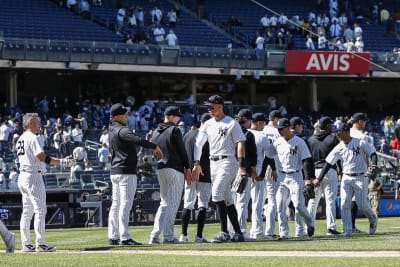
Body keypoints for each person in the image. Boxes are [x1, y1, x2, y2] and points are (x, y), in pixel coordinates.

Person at [192, 95, 246, 243]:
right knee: (227, 199)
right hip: (212, 163)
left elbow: (240, 143)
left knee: (216, 194)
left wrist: (241, 166)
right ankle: (238, 232)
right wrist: (197, 162)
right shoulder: (207, 124)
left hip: (228, 161)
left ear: (220, 106)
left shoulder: (231, 123)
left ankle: (224, 233)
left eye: (211, 106)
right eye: (207, 107)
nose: (208, 109)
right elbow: (198, 143)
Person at [16, 113, 73, 252]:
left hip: (23, 176)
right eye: (37, 122)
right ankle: (40, 243)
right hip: (33, 176)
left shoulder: (20, 138)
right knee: (40, 210)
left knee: (27, 212)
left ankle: (26, 244)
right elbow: (41, 157)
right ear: (30, 123)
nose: (40, 124)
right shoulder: (32, 137)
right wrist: (62, 162)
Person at [108, 103, 163, 246]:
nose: (126, 115)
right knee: (125, 205)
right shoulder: (122, 129)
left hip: (115, 171)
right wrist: (154, 146)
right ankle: (124, 237)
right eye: (124, 113)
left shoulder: (112, 129)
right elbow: (137, 140)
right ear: (117, 116)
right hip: (126, 172)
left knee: (116, 204)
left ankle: (113, 236)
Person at [317, 123, 378, 236]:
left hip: (360, 176)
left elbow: (373, 154)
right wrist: (319, 179)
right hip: (346, 177)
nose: (337, 135)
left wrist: (373, 166)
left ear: (346, 131)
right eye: (336, 133)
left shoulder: (360, 142)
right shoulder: (339, 147)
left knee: (362, 204)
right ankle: (347, 230)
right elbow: (328, 163)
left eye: (339, 132)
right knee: (344, 203)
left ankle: (373, 218)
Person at [149, 106, 191, 244]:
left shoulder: (155, 132)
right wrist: (188, 167)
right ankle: (168, 236)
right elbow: (182, 151)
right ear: (172, 116)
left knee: (164, 203)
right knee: (172, 204)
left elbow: (153, 153)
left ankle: (154, 236)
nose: (179, 119)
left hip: (160, 168)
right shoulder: (175, 130)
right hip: (174, 169)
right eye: (177, 116)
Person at [270, 118, 315, 239]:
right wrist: (273, 169)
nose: (279, 131)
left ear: (287, 128)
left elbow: (306, 161)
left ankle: (307, 224)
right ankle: (284, 233)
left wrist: (307, 179)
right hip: (281, 176)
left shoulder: (299, 142)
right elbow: (268, 156)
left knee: (299, 205)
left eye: (281, 129)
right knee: (279, 205)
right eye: (278, 129)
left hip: (296, 175)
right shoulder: (277, 142)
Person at [179, 113, 212, 243]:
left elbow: (182, 155)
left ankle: (183, 235)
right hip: (204, 173)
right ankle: (199, 236)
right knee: (202, 205)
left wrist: (186, 170)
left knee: (188, 204)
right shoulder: (208, 136)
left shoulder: (187, 135)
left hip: (189, 174)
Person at [307, 116, 341, 235]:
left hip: (314, 171)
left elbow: (308, 159)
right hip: (329, 171)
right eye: (331, 125)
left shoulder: (310, 139)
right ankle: (331, 228)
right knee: (330, 201)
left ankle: (309, 226)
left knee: (312, 201)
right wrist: (340, 169)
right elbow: (338, 157)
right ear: (327, 126)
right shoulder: (333, 138)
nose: (332, 126)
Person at [228, 109, 258, 240]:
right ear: (248, 120)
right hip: (243, 170)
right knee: (241, 202)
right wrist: (253, 170)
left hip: (228, 169)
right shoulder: (248, 134)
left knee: (230, 202)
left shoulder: (229, 132)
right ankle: (240, 231)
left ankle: (229, 231)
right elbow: (253, 156)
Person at [247, 112, 277, 239]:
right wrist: (269, 171)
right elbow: (269, 157)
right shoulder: (261, 136)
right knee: (257, 203)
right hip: (257, 172)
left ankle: (239, 231)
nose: (264, 125)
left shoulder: (243, 133)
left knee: (240, 204)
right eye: (263, 122)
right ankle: (257, 231)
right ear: (258, 122)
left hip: (241, 171)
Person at [350, 112, 373, 233]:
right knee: (360, 201)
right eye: (364, 121)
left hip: (346, 171)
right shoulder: (362, 136)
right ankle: (372, 220)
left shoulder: (345, 132)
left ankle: (350, 226)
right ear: (359, 121)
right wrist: (369, 170)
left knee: (348, 200)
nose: (365, 123)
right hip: (360, 171)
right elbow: (368, 155)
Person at [262, 110, 282, 239]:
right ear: (275, 119)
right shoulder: (277, 132)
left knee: (261, 199)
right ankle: (269, 231)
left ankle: (259, 229)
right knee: (273, 200)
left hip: (261, 167)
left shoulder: (262, 130)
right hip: (273, 167)